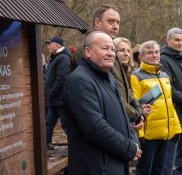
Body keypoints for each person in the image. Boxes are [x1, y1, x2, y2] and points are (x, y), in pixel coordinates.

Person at [64, 31, 142, 175]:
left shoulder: (108, 78)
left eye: (112, 49)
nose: (111, 53)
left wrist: (133, 140)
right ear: (88, 51)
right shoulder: (79, 81)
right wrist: (128, 148)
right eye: (105, 48)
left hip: (114, 162)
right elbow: (95, 127)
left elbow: (122, 116)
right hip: (96, 167)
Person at [72, 4, 145, 128]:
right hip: (106, 125)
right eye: (111, 21)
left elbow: (126, 89)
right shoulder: (88, 50)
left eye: (118, 22)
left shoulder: (110, 49)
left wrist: (139, 112)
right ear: (97, 22)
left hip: (122, 121)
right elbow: (107, 93)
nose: (116, 26)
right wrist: (135, 115)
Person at [131, 40, 181, 175]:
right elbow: (134, 105)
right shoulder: (136, 76)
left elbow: (169, 104)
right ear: (141, 57)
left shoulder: (164, 75)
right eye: (150, 52)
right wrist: (140, 134)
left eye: (157, 52)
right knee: (144, 171)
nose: (155, 55)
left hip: (166, 133)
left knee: (160, 170)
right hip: (148, 135)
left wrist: (176, 128)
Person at [160, 27, 182, 175]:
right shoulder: (163, 59)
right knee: (172, 156)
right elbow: (168, 88)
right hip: (173, 112)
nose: (180, 43)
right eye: (177, 40)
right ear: (168, 40)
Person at [45, 36, 71, 150]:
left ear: (58, 45)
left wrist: (52, 93)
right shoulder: (55, 57)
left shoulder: (63, 58)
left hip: (60, 99)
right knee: (49, 123)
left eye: (51, 44)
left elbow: (62, 79)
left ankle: (76, 146)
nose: (49, 46)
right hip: (53, 100)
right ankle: (46, 144)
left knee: (66, 125)